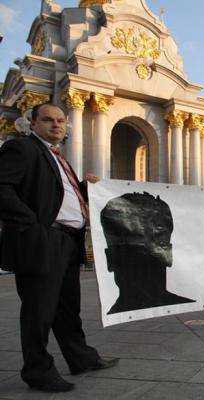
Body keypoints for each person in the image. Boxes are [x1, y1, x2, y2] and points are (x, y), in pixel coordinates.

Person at [0, 103, 118, 393]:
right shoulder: (22, 148)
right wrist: (32, 225)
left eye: (61, 121)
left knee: (67, 308)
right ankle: (37, 370)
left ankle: (81, 358)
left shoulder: (57, 157)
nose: (56, 125)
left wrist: (83, 187)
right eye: (48, 120)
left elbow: (55, 195)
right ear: (33, 123)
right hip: (43, 241)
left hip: (68, 242)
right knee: (39, 310)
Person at [101, 192, 196, 314]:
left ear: (110, 260)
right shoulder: (191, 309)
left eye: (151, 250)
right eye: (134, 251)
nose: (143, 265)